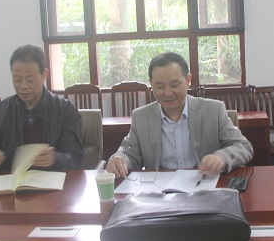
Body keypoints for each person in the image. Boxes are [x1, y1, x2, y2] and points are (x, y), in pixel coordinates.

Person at [106, 52, 253, 177]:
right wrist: (120, 159)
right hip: (160, 192)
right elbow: (129, 153)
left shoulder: (213, 111)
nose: (167, 93)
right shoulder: (141, 117)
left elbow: (243, 146)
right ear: (151, 84)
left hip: (203, 186)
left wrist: (221, 157)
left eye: (174, 85)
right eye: (160, 86)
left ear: (188, 80)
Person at [0, 44, 84, 172]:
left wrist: (56, 159)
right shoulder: (0, 111)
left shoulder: (65, 111)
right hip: (12, 181)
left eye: (30, 79)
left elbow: (77, 159)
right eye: (17, 79)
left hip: (52, 181)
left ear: (44, 75)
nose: (23, 86)